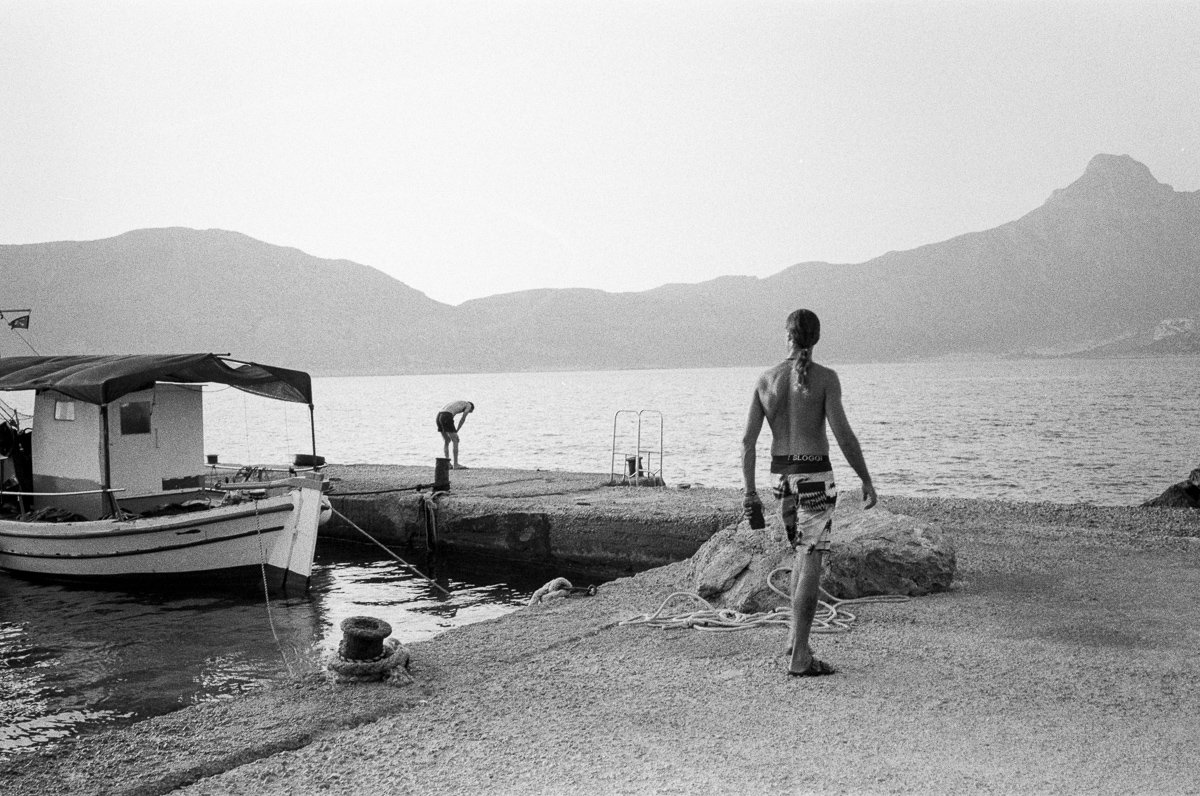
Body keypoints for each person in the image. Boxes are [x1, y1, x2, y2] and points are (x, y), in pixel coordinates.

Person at [741, 309, 877, 677]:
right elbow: (843, 435)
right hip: (815, 476)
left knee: (800, 556)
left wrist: (750, 494)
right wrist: (866, 478)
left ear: (786, 336)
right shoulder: (825, 379)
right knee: (811, 559)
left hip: (780, 479)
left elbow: (747, 443)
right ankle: (800, 656)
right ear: (816, 339)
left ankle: (792, 640)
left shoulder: (766, 380)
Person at [436, 400, 474, 469]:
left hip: (439, 416)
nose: (468, 412)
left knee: (447, 440)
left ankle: (447, 463)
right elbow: (463, 419)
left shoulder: (458, 403)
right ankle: (455, 464)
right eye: (470, 411)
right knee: (456, 440)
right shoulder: (468, 405)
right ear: (471, 408)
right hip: (446, 416)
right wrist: (457, 430)